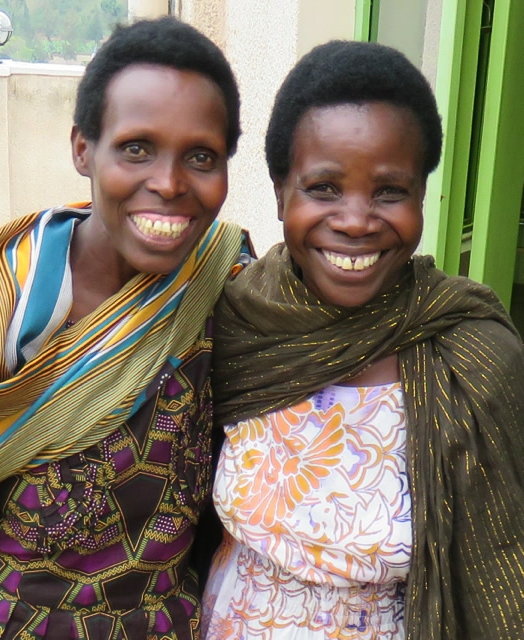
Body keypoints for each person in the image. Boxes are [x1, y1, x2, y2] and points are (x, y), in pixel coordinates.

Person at [201, 40, 524, 639]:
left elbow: (501, 558)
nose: (355, 220)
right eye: (323, 187)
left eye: (389, 191)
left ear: (422, 196)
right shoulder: (237, 323)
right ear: (280, 191)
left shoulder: (471, 353)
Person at [0, 15, 249, 640]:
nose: (168, 183)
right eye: (136, 147)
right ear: (83, 148)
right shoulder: (11, 293)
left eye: (201, 156)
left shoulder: (225, 276)